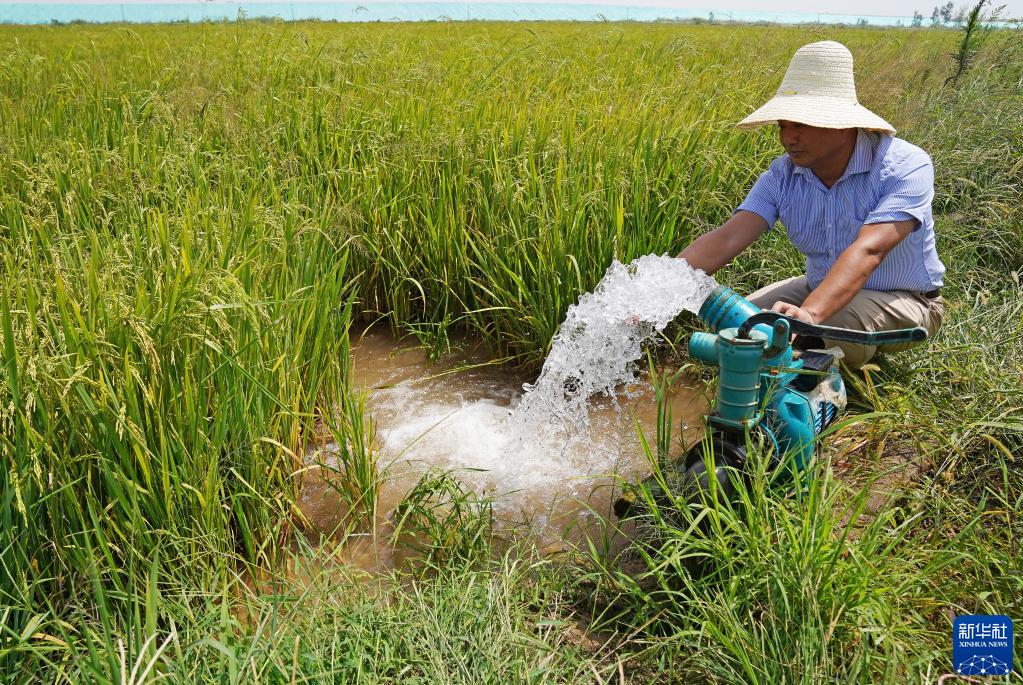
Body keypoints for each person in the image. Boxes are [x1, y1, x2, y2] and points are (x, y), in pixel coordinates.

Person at [678, 40, 945, 368]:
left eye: (801, 124)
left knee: (827, 327)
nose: (789, 137)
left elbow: (869, 250)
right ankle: (786, 355)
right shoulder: (782, 176)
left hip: (906, 300)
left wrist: (808, 314)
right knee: (740, 328)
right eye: (783, 126)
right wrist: (663, 283)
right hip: (818, 288)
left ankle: (808, 375)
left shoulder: (903, 165)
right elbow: (728, 237)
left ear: (843, 125)